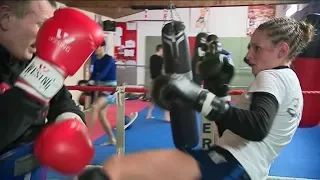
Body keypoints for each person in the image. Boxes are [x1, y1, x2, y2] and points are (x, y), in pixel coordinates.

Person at [78, 17, 315, 180]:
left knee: (115, 168)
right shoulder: (291, 82)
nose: (248, 55)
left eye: (256, 48)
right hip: (245, 168)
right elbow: (239, 132)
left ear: (282, 50)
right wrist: (219, 91)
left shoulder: (271, 78)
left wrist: (198, 96)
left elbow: (257, 127)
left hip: (232, 164)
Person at [0, 0, 105, 175]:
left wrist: (72, 125)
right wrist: (36, 86)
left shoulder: (34, 59)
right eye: (41, 24)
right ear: (6, 18)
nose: (46, 35)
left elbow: (63, 101)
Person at [88, 41, 138, 146]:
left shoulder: (109, 59)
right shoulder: (97, 61)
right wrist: (87, 83)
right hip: (101, 88)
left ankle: (86, 137)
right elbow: (93, 75)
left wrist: (93, 81)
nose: (95, 49)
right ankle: (112, 139)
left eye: (97, 47)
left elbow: (103, 74)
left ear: (103, 47)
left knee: (95, 106)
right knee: (102, 116)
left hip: (110, 88)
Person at [146, 44, 170, 122]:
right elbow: (162, 69)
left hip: (153, 80)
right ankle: (166, 117)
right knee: (165, 97)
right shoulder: (160, 59)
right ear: (160, 49)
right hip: (159, 81)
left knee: (154, 97)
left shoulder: (152, 57)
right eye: (163, 51)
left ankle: (149, 114)